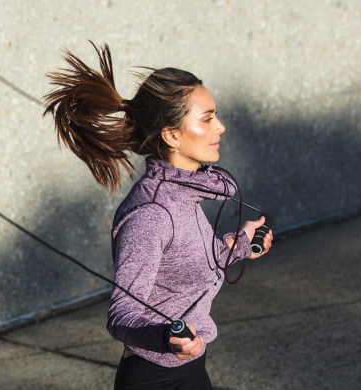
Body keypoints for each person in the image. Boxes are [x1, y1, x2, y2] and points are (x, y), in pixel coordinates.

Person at [44, 43, 272, 390]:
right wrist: (166, 336)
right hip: (155, 379)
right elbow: (121, 314)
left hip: (190, 369)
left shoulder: (183, 195)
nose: (220, 127)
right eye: (208, 118)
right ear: (171, 135)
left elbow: (186, 263)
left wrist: (241, 245)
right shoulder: (151, 215)